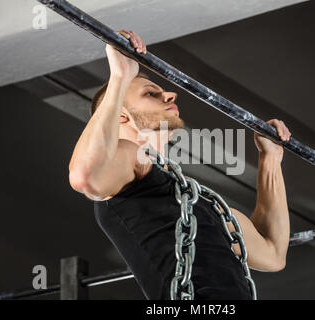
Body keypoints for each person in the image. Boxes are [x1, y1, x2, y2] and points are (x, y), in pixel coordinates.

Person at [69, 29, 291, 300]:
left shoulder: (197, 199)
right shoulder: (131, 162)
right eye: (151, 93)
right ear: (123, 117)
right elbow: (84, 176)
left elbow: (273, 252)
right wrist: (120, 76)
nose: (171, 95)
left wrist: (270, 160)